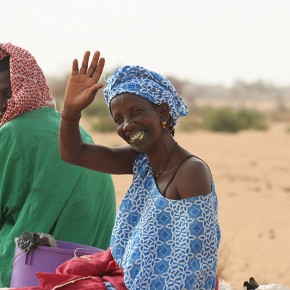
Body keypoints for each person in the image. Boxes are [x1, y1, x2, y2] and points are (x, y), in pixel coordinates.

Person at [57, 50, 221, 290]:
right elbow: (73, 153)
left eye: (136, 112)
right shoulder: (141, 161)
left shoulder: (190, 172)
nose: (127, 125)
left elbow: (194, 263)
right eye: (118, 119)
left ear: (163, 112)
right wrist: (71, 113)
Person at [0, 43, 116, 287]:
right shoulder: (77, 134)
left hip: (30, 272)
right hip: (88, 270)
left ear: (25, 88)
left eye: (6, 93)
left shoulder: (11, 132)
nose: (2, 103)